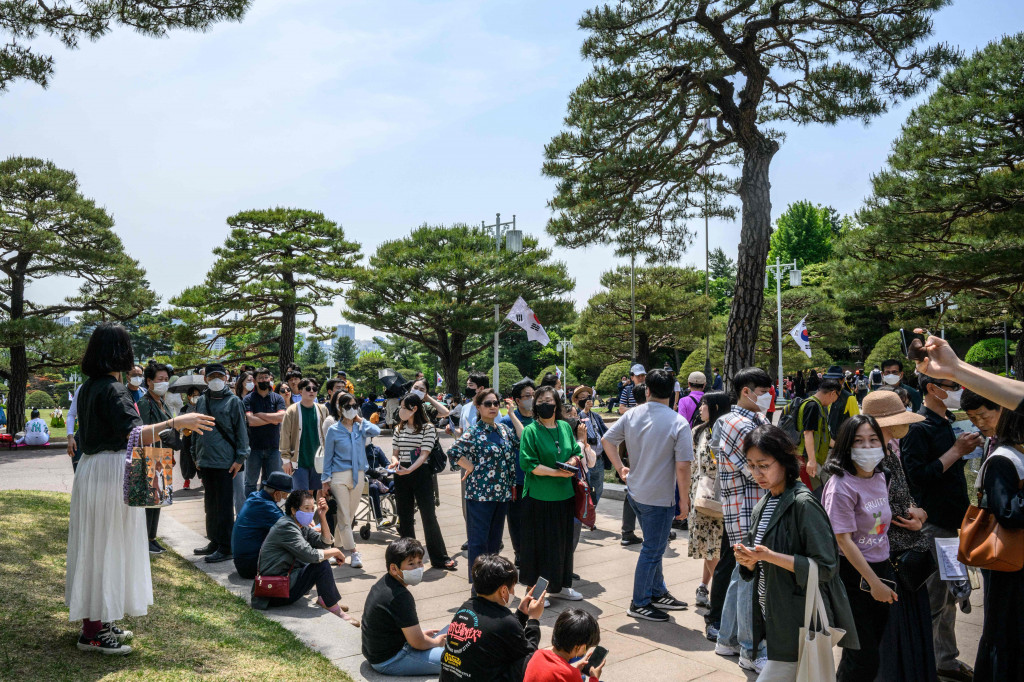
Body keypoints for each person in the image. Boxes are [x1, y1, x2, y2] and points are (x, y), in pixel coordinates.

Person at [66, 322, 214, 654]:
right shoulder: (113, 389)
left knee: (96, 545)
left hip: (93, 470)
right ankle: (93, 630)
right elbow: (136, 435)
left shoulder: (90, 387)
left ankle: (98, 622)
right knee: (108, 546)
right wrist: (177, 422)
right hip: (111, 473)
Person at [733, 424, 858, 681]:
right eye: (751, 465)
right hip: (774, 617)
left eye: (764, 465)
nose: (756, 473)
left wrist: (768, 556)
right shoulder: (765, 502)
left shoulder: (803, 504)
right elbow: (757, 562)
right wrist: (747, 561)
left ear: (785, 462)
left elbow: (826, 567)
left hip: (798, 621)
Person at [901, 373, 982, 682]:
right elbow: (918, 476)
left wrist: (964, 450)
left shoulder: (949, 422)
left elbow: (948, 470)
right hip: (933, 525)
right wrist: (956, 452)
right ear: (932, 389)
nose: (958, 392)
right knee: (936, 599)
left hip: (953, 522)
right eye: (953, 386)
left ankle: (945, 659)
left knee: (950, 596)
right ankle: (931, 662)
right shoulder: (918, 427)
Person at [602, 368, 692, 622]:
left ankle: (656, 591)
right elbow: (683, 466)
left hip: (636, 492)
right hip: (659, 497)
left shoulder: (633, 414)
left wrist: (620, 469)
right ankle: (640, 602)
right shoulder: (677, 422)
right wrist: (684, 500)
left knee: (655, 545)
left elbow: (607, 440)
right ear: (673, 393)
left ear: (647, 389)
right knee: (653, 548)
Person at [860, 390, 936, 682]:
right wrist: (908, 517)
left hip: (903, 556)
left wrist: (918, 512)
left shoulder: (889, 451)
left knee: (907, 631)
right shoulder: (871, 459)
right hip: (889, 560)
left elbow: (903, 497)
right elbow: (868, 513)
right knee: (893, 637)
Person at [820, 415, 897, 681]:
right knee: (862, 657)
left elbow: (880, 520)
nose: (867, 447)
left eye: (873, 440)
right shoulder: (841, 486)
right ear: (846, 447)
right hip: (853, 577)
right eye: (858, 441)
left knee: (868, 650)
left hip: (881, 567)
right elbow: (843, 541)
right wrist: (874, 583)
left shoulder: (881, 476)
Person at [714, 366, 772, 674]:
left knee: (742, 573)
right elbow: (757, 471)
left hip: (753, 507)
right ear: (746, 392)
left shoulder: (757, 419)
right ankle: (749, 651)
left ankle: (727, 639)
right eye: (762, 391)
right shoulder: (736, 424)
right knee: (751, 576)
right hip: (745, 509)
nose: (768, 396)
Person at [971, 407, 1024, 682]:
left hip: (1017, 561)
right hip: (1008, 563)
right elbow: (1008, 513)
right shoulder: (1005, 460)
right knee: (1005, 630)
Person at [251, 490, 357, 625]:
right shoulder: (286, 527)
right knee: (321, 564)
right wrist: (335, 551)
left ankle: (326, 600)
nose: (310, 512)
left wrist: (322, 516)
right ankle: (333, 607)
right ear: (294, 510)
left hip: (282, 584)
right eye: (306, 508)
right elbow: (310, 555)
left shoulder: (299, 525)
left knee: (320, 561)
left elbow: (323, 542)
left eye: (312, 509)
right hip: (273, 592)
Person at [518, 385, 583, 601]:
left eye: (549, 400)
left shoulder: (565, 426)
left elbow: (575, 451)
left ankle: (562, 585)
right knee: (539, 547)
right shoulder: (530, 430)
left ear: (557, 403)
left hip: (564, 496)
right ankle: (537, 593)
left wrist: (572, 462)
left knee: (563, 544)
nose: (545, 405)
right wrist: (557, 473)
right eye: (540, 401)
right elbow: (529, 464)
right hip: (538, 497)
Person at [449, 388, 519, 583]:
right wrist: (468, 465)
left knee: (495, 544)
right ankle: (477, 586)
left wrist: (511, 413)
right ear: (478, 407)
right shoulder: (474, 431)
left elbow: (521, 440)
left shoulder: (503, 430)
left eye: (496, 403)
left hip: (501, 495)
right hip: (479, 496)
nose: (493, 407)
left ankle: (492, 583)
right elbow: (453, 452)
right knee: (479, 543)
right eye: (487, 404)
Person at [439, 554, 545, 681]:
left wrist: (522, 613)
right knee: (536, 659)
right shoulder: (505, 622)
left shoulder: (465, 608)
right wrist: (533, 620)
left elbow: (499, 634)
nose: (513, 592)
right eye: (513, 587)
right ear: (504, 591)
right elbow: (531, 654)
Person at [191, 363, 250, 564]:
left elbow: (242, 432)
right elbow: (195, 430)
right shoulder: (201, 400)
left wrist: (240, 459)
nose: (216, 379)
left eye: (219, 375)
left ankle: (226, 547)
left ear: (226, 378)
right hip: (205, 460)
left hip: (226, 462)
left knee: (224, 506)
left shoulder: (234, 402)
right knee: (210, 504)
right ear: (206, 379)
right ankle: (214, 541)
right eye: (212, 376)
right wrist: (194, 455)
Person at [362, 538, 446, 675]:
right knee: (460, 661)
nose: (418, 568)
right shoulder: (400, 596)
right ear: (394, 568)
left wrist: (420, 636)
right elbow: (417, 642)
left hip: (377, 653)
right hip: (391, 660)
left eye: (420, 562)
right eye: (411, 564)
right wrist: (436, 642)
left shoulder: (385, 583)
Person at [391, 392, 456, 571]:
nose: (401, 411)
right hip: (401, 472)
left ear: (414, 409)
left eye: (404, 407)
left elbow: (425, 453)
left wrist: (410, 469)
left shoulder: (428, 428)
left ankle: (439, 557)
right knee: (404, 517)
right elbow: (395, 452)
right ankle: (407, 558)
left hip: (421, 473)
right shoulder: (399, 428)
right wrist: (395, 462)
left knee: (428, 516)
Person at [688, 391, 729, 639]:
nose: (700, 407)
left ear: (714, 407)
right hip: (700, 493)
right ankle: (705, 587)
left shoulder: (723, 431)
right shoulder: (700, 430)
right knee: (707, 546)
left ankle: (720, 593)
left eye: (704, 404)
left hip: (718, 496)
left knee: (714, 547)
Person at [137, 361, 174, 555]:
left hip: (163, 456)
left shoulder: (162, 402)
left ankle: (152, 537)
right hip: (151, 456)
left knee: (159, 499)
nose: (164, 383)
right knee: (150, 499)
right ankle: (145, 538)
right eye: (160, 379)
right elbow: (144, 432)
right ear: (149, 381)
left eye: (166, 380)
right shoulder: (145, 403)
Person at [500, 378, 536, 563]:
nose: (531, 398)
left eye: (533, 395)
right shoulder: (507, 421)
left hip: (538, 478)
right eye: (527, 396)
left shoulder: (540, 418)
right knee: (516, 520)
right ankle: (520, 553)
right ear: (517, 400)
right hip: (517, 479)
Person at [232, 471, 292, 579]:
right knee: (292, 544)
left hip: (242, 560)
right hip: (250, 565)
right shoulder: (266, 507)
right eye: (285, 495)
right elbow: (289, 527)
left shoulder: (255, 497)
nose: (285, 499)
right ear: (277, 493)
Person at [523, 609, 604, 682]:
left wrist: (575, 671)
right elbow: (564, 675)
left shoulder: (538, 654)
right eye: (586, 648)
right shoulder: (569, 675)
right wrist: (594, 679)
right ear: (579, 647)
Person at [242, 368, 287, 497]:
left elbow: (281, 417)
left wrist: (260, 415)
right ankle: (249, 511)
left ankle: (269, 509)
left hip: (273, 447)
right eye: (260, 378)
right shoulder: (248, 399)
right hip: (254, 448)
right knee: (250, 483)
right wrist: (272, 419)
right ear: (255, 381)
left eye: (266, 377)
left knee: (272, 483)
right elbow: (251, 421)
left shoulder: (277, 398)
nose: (264, 380)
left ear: (270, 379)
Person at [280, 378, 328, 495]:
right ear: (300, 391)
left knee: (320, 493)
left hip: (319, 460)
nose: (311, 391)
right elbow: (285, 435)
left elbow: (328, 434)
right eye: (308, 388)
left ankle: (318, 514)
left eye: (314, 389)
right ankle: (300, 514)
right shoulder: (292, 410)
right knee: (301, 495)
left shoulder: (322, 409)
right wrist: (286, 460)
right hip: (299, 460)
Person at [797, 377, 842, 490]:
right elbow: (808, 434)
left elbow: (823, 435)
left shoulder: (817, 406)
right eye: (837, 396)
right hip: (807, 458)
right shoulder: (812, 406)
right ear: (833, 393)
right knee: (816, 493)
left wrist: (841, 446)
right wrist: (811, 461)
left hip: (812, 457)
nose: (835, 400)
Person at [573, 385, 608, 514]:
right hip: (584, 461)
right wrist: (585, 412)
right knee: (584, 489)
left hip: (598, 459)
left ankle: (590, 512)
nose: (586, 400)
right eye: (582, 398)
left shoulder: (596, 416)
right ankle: (584, 514)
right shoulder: (575, 415)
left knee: (598, 489)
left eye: (588, 397)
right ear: (576, 400)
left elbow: (605, 432)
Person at [824, 365, 860, 442]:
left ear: (842, 380)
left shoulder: (849, 398)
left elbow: (856, 423)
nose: (832, 383)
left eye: (835, 380)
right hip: (830, 442)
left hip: (843, 442)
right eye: (829, 380)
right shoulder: (829, 396)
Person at [177, 386, 202, 489]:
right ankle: (186, 481)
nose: (196, 397)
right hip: (188, 439)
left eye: (198, 395)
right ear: (188, 396)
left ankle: (202, 479)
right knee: (186, 460)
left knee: (201, 458)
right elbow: (182, 427)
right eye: (193, 395)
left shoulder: (202, 407)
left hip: (200, 438)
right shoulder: (184, 409)